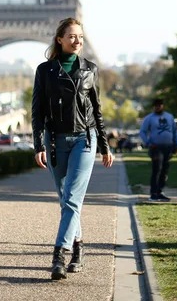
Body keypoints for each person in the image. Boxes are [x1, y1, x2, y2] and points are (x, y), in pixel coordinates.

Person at [32, 17, 113, 280]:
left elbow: (96, 110)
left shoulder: (90, 69)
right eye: (72, 36)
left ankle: (59, 254)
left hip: (83, 140)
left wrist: (105, 145)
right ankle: (78, 248)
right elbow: (37, 112)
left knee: (71, 199)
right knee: (66, 200)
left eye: (80, 36)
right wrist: (38, 145)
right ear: (60, 39)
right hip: (55, 141)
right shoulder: (44, 71)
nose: (77, 41)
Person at [139, 98, 177, 202]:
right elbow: (142, 132)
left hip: (168, 147)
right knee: (157, 169)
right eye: (156, 105)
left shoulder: (169, 117)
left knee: (165, 171)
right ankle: (153, 193)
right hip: (156, 147)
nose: (158, 107)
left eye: (160, 105)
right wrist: (148, 143)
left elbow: (175, 131)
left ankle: (160, 191)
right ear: (154, 107)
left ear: (163, 106)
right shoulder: (149, 118)